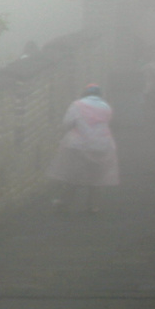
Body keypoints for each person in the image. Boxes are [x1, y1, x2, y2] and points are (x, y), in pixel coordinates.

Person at [48, 84, 120, 213]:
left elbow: (67, 123)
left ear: (85, 93)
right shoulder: (106, 107)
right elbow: (108, 122)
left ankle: (64, 201)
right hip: (102, 145)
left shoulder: (77, 105)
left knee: (74, 174)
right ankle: (93, 206)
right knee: (96, 176)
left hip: (79, 145)